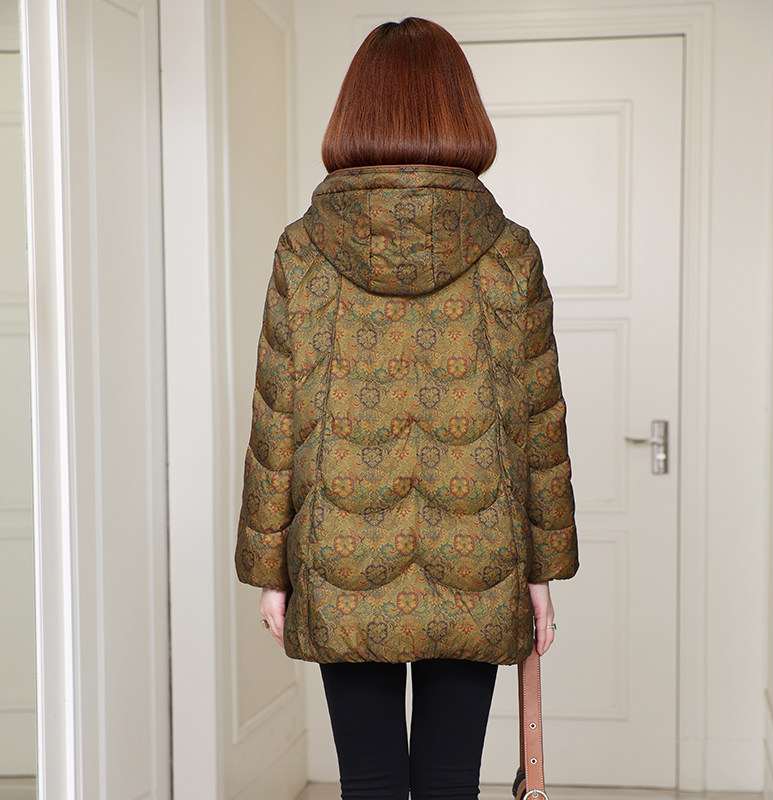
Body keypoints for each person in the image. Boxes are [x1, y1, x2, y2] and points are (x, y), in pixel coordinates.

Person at [234, 16, 579, 800]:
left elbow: (276, 419)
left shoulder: (302, 252)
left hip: (340, 562)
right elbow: (541, 427)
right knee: (453, 782)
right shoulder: (510, 253)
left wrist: (271, 574)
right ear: (463, 112)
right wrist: (542, 572)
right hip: (480, 558)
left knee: (370, 783)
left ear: (352, 114)